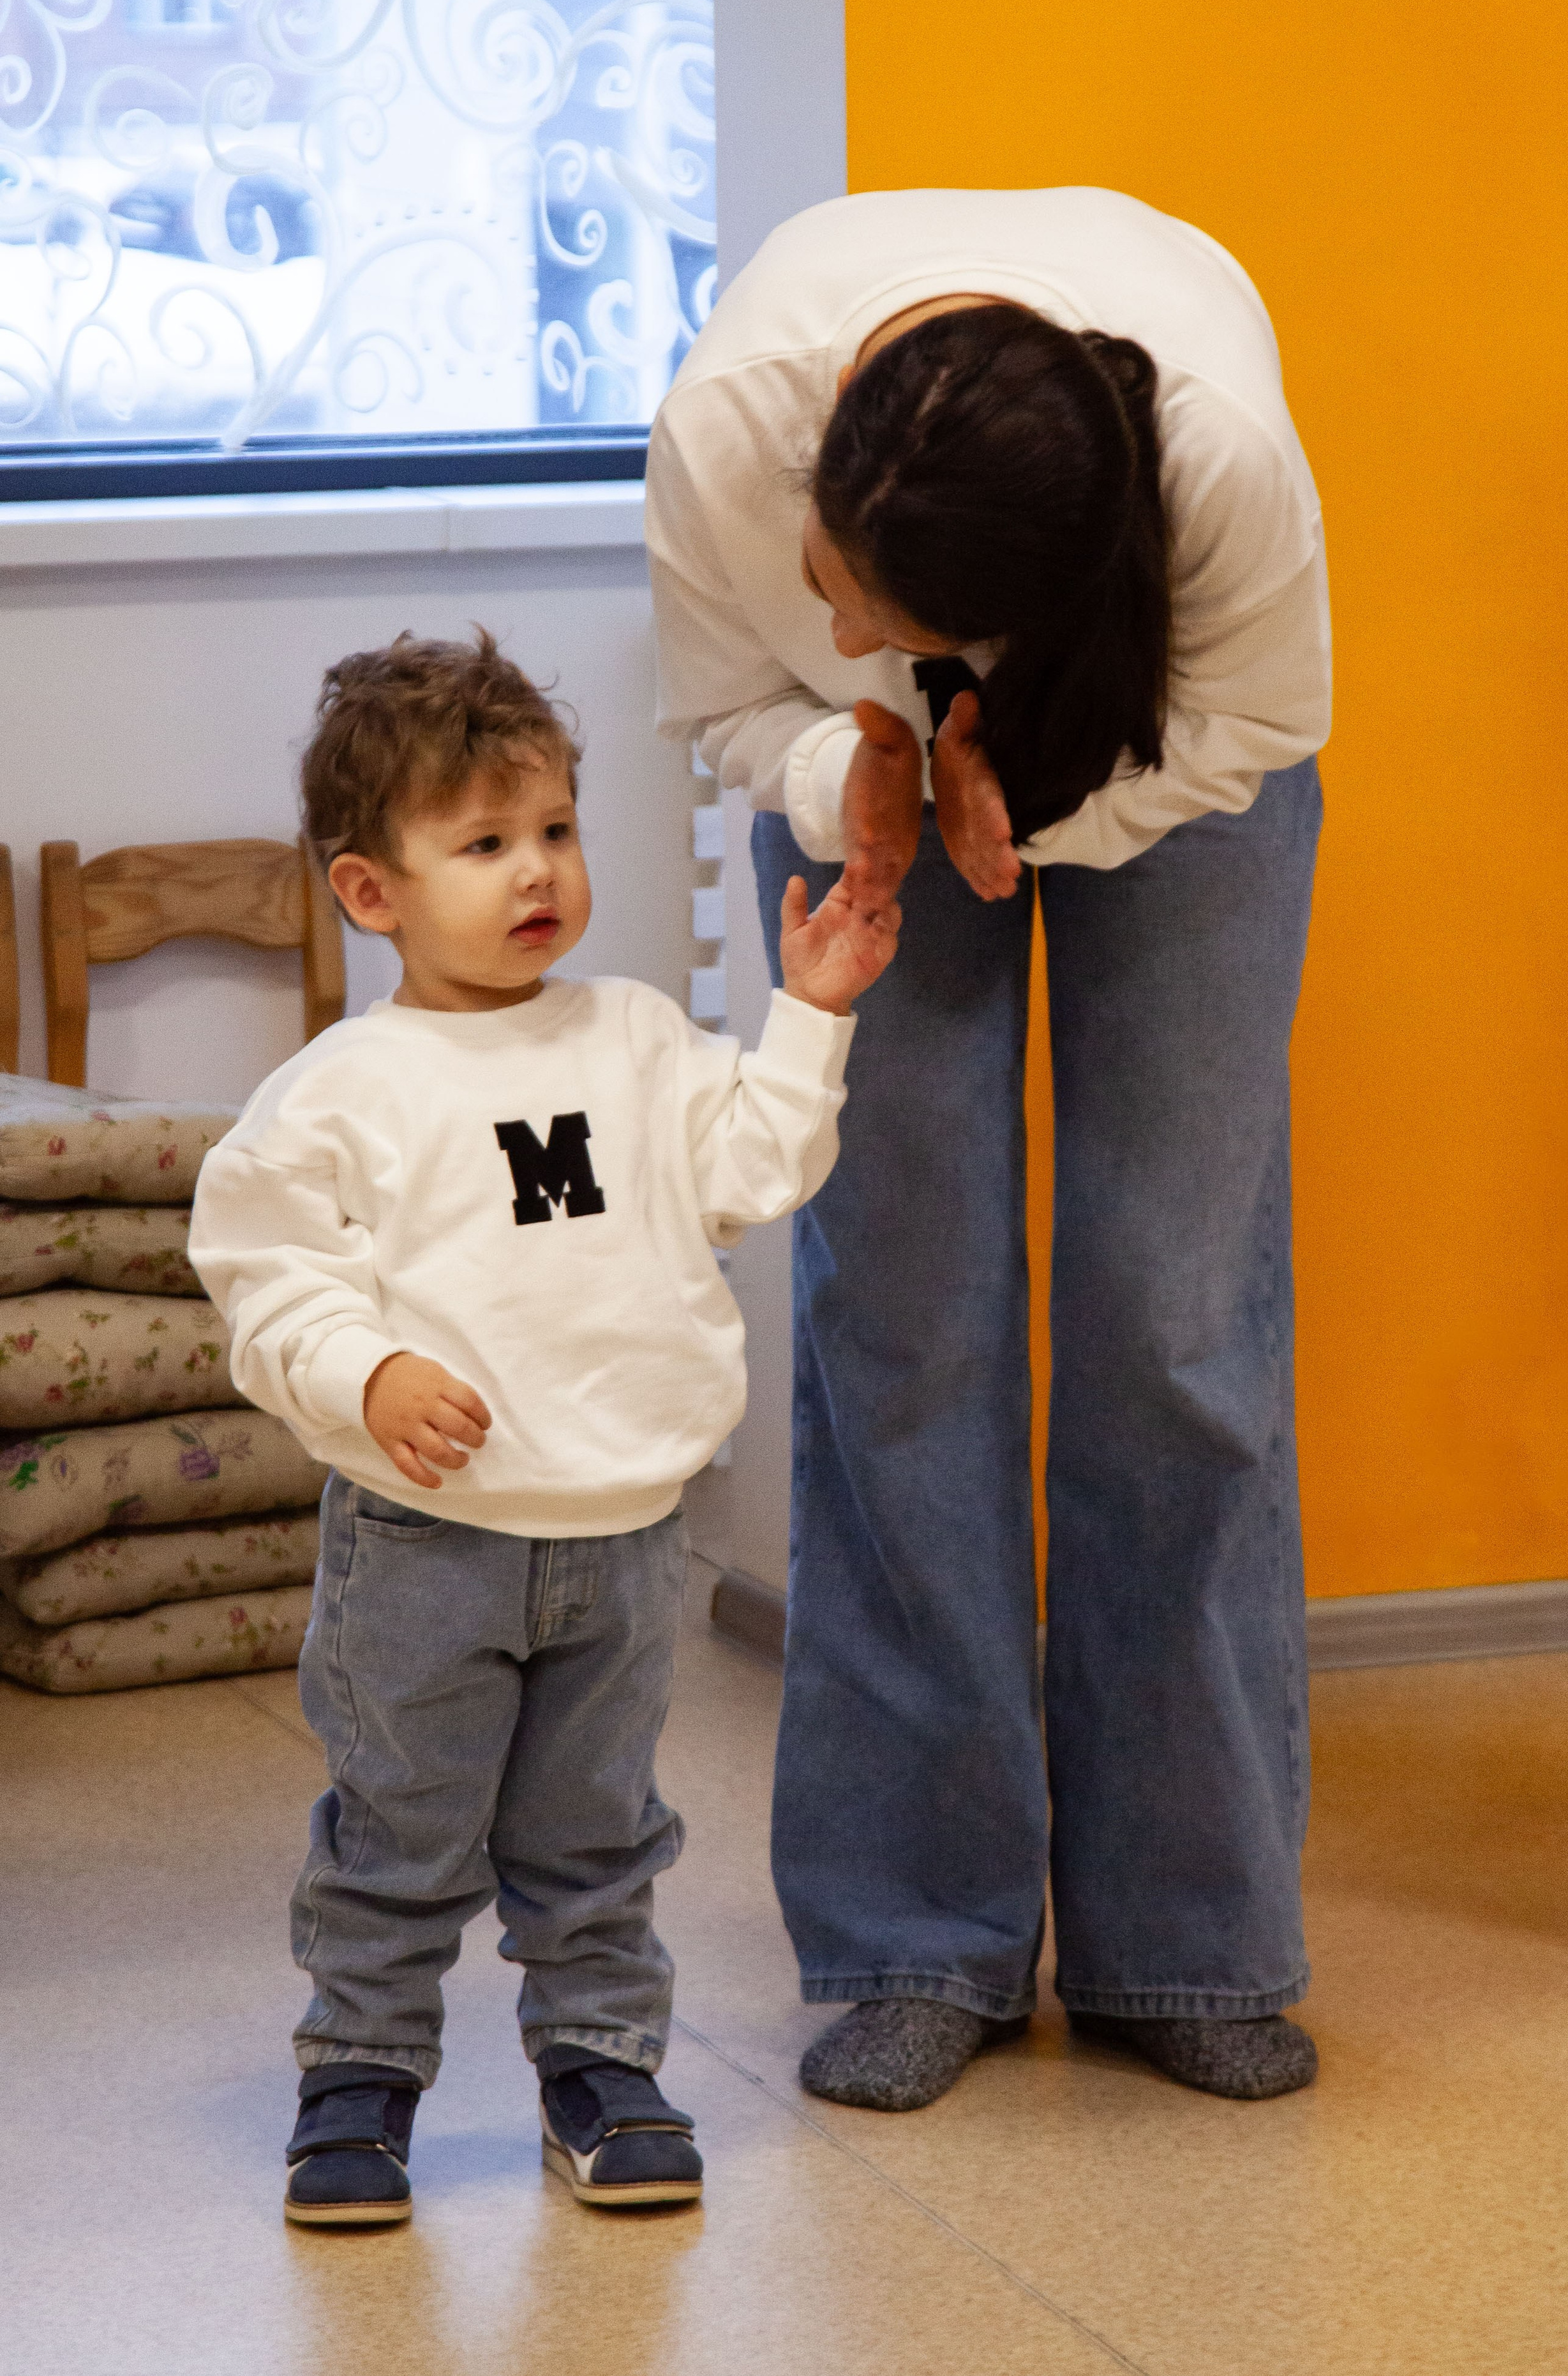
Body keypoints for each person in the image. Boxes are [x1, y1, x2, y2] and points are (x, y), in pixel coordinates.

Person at [646, 188, 1331, 2113]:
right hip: (855, 774)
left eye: (890, 616)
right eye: (833, 581)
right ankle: (912, 1930)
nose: (846, 625)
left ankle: (1187, 1939)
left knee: (1174, 1319)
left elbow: (1265, 716)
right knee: (907, 1310)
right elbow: (727, 695)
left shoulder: (1222, 471)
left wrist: (1024, 804)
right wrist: (853, 750)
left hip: (1182, 756)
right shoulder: (733, 426)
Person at [190, 629, 899, 2225]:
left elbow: (753, 1172)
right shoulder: (335, 1095)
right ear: (371, 892)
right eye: (485, 843)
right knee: (402, 1833)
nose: (537, 874)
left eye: (556, 832)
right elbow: (264, 1281)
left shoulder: (639, 1038)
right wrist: (361, 1373)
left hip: (627, 1542)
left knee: (599, 1836)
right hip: (426, 1547)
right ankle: (358, 2085)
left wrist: (812, 1017)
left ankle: (601, 2072)